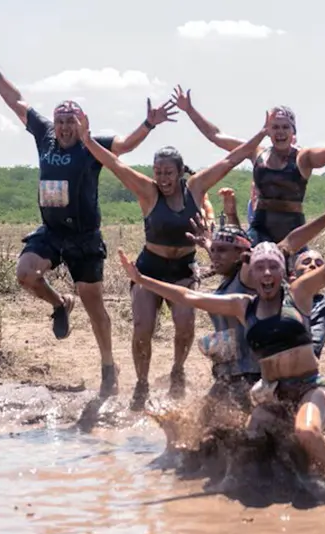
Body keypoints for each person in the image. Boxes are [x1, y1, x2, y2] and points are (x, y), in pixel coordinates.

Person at [119, 184, 325, 478]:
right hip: (249, 384)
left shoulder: (275, 287)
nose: (265, 273)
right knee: (218, 442)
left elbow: (321, 251)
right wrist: (144, 278)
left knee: (287, 434)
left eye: (271, 268)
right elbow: (190, 295)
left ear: (279, 272)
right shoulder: (237, 296)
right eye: (212, 251)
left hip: (275, 381)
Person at [0, 36, 176, 397]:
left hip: (85, 236)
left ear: (81, 121)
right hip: (51, 231)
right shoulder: (44, 135)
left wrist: (149, 123)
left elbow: (126, 145)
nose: (65, 126)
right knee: (25, 274)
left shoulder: (91, 145)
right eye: (61, 120)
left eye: (71, 120)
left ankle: (108, 366)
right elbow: (15, 100)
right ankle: (59, 303)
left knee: (93, 304)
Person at [73, 109, 278, 410]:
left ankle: (177, 369)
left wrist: (262, 133)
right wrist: (87, 139)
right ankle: (141, 384)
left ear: (180, 172)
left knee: (184, 325)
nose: (162, 178)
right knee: (142, 327)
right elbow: (113, 163)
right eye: (158, 172)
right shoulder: (147, 190)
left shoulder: (195, 188)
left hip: (183, 268)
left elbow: (231, 159)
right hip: (150, 268)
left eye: (168, 173)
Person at [185, 184, 325, 428]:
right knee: (202, 427)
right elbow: (226, 253)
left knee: (249, 435)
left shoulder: (247, 276)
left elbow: (289, 242)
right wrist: (208, 242)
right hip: (230, 374)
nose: (214, 256)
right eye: (212, 251)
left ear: (242, 257)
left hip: (252, 376)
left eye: (221, 251)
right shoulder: (227, 278)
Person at [171, 85, 325, 245]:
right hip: (260, 227)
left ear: (293, 132)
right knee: (247, 266)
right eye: (275, 127)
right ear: (268, 130)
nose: (280, 132)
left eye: (285, 127)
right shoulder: (256, 152)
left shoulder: (303, 158)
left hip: (293, 227)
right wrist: (190, 110)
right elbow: (216, 136)